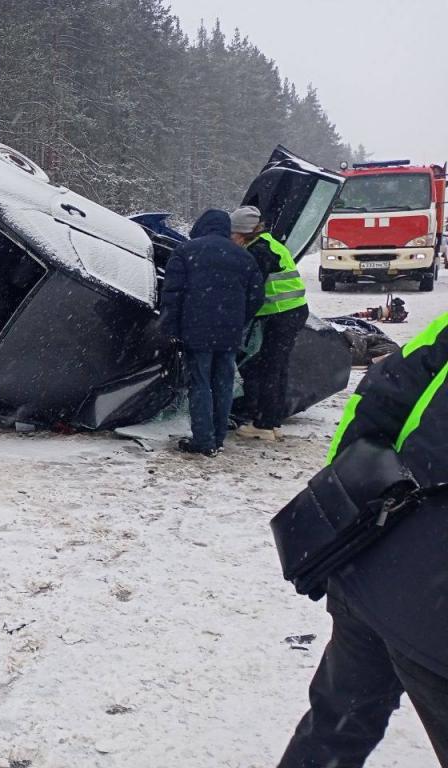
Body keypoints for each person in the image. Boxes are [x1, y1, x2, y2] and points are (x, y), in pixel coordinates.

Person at [277, 311, 448, 768]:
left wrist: (341, 526)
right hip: (435, 616)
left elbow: (373, 406)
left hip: (374, 569)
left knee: (337, 724)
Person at [160, 209, 264, 457]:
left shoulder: (185, 252)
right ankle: (218, 437)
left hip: (195, 331)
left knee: (200, 384)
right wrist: (238, 319)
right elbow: (256, 297)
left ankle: (203, 440)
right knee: (223, 384)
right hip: (229, 334)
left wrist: (170, 328)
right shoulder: (244, 257)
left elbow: (172, 295)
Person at [229, 205, 309, 441]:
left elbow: (252, 289)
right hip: (291, 312)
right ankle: (272, 422)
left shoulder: (259, 252)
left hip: (281, 314)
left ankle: (264, 425)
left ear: (243, 232)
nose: (230, 238)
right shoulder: (268, 243)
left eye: (232, 233)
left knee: (269, 368)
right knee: (277, 367)